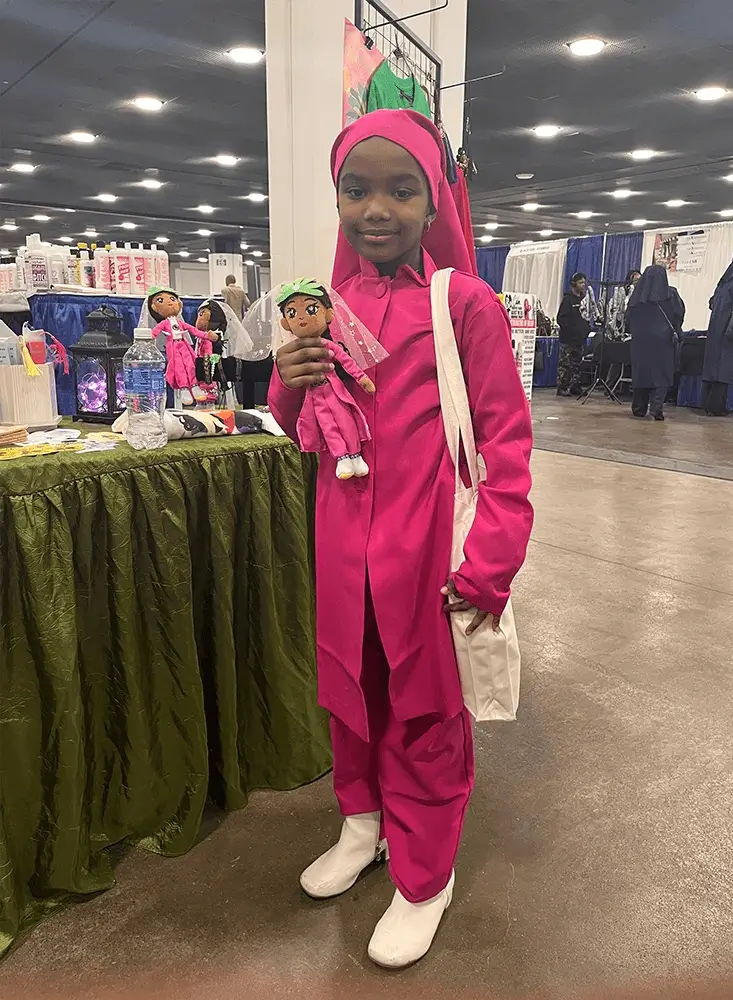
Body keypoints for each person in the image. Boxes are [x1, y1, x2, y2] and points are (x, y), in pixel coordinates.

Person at [268, 109, 533, 969]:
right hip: (345, 544)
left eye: (400, 189)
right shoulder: (329, 309)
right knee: (351, 689)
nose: (375, 209)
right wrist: (287, 379)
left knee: (425, 710)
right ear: (337, 199)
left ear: (432, 204)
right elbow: (304, 427)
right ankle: (363, 823)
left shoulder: (464, 304)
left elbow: (506, 445)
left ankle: (425, 873)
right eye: (356, 190)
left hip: (427, 555)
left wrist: (488, 562)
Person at [625, 264, 685, 420]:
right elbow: (679, 314)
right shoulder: (671, 294)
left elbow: (627, 321)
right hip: (663, 342)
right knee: (661, 376)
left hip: (640, 343)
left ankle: (639, 408)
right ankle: (656, 409)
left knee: (641, 375)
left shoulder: (637, 297)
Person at [701, 258, 733, 416]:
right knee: (724, 370)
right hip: (729, 331)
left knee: (713, 370)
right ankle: (716, 406)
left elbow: (711, 303)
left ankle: (710, 405)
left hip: (716, 330)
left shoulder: (722, 284)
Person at [556, 272, 590, 396]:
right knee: (566, 364)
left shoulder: (584, 300)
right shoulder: (567, 300)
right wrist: (571, 330)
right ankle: (562, 387)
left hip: (580, 339)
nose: (583, 285)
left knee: (577, 364)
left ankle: (575, 386)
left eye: (584, 283)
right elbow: (561, 319)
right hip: (568, 339)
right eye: (580, 283)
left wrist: (585, 330)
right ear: (573, 284)